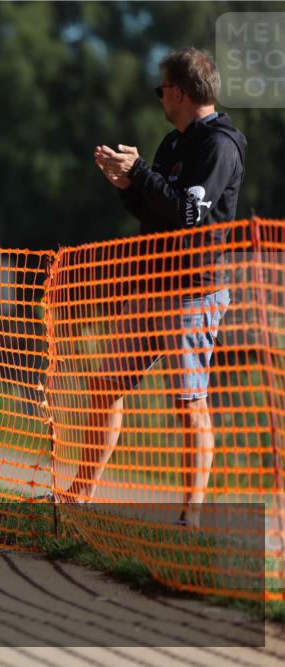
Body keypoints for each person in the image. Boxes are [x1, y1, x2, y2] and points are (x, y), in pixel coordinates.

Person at [60, 48, 246, 527]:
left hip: (194, 292)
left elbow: (189, 213)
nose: (159, 96)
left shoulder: (220, 144)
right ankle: (80, 495)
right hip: (151, 285)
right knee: (105, 385)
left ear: (179, 92)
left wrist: (141, 171)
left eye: (161, 88)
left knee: (188, 402)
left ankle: (192, 514)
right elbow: (154, 212)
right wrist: (126, 185)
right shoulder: (174, 142)